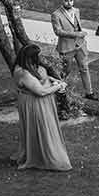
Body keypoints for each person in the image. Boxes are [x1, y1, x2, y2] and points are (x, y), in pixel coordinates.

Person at [11, 44, 72, 172]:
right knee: (43, 127)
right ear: (31, 57)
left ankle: (37, 153)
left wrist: (52, 79)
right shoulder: (24, 73)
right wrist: (60, 85)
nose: (40, 57)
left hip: (33, 101)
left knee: (36, 128)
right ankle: (47, 157)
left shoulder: (23, 67)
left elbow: (39, 78)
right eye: (37, 55)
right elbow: (41, 92)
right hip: (35, 103)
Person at [51, 0, 97, 101]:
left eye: (71, 0)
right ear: (62, 1)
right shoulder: (56, 15)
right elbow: (58, 31)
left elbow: (77, 26)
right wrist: (76, 34)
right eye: (66, 1)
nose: (69, 3)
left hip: (80, 45)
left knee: (84, 68)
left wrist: (81, 35)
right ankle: (59, 90)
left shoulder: (77, 11)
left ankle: (89, 92)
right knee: (66, 70)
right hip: (66, 47)